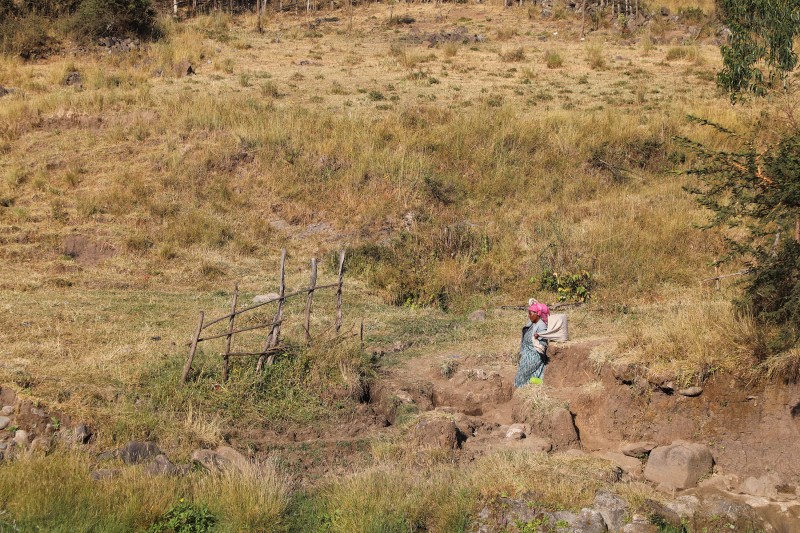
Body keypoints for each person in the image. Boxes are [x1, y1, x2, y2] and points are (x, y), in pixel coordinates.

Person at [513, 302, 550, 387]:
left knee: (522, 375)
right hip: (527, 353)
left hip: (534, 356)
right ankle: (533, 382)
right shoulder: (533, 323)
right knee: (521, 375)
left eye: (530, 313)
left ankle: (539, 382)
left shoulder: (541, 326)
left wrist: (538, 337)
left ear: (537, 314)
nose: (529, 315)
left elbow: (543, 345)